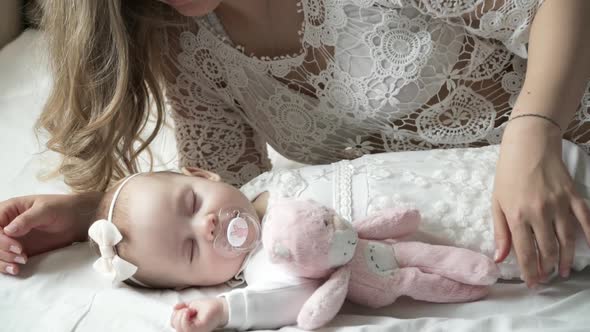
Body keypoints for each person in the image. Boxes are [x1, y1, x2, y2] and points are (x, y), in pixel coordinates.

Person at [0, 0, 589, 291]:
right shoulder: (187, 42)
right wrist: (93, 213)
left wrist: (534, 135)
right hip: (508, 235)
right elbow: (234, 203)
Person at [86, 141, 590, 331]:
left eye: (193, 206)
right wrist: (222, 313)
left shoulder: (263, 185)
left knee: (564, 170)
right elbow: (279, 305)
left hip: (468, 170)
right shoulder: (265, 266)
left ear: (204, 175)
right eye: (192, 248)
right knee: (551, 230)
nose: (209, 226)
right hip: (474, 230)